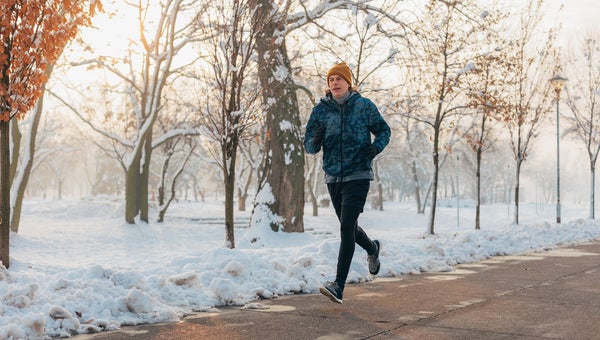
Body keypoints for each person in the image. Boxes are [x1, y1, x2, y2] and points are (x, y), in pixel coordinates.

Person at [304, 62, 391, 304]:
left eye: (339, 79)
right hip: (333, 176)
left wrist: (374, 149)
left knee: (346, 228)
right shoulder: (320, 111)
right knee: (348, 226)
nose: (334, 83)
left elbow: (384, 131)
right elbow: (309, 147)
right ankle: (372, 248)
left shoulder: (364, 106)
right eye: (331, 79)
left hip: (358, 174)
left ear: (348, 82)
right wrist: (316, 137)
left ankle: (338, 285)